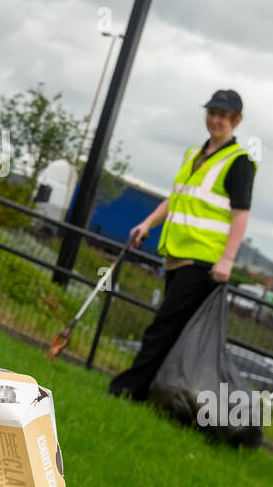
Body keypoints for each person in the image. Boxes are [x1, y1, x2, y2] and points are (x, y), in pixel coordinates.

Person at [107, 89, 256, 401]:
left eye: (222, 115)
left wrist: (227, 259)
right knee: (171, 330)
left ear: (236, 121)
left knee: (162, 327)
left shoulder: (239, 163)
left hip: (203, 262)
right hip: (177, 255)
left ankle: (128, 390)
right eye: (211, 112)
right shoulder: (194, 155)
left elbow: (240, 215)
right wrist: (147, 224)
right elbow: (175, 200)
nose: (215, 120)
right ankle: (155, 393)